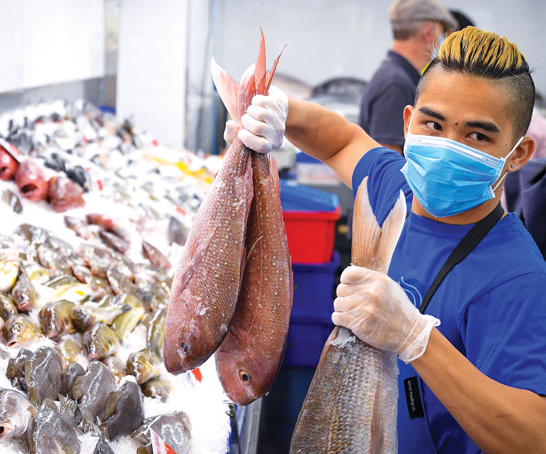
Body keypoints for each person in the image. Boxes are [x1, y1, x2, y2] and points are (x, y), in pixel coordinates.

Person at [226, 27, 546, 453]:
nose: (447, 146)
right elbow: (343, 140)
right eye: (434, 125)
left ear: (519, 153)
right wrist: (283, 114)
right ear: (409, 121)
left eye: (477, 136)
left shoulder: (517, 276)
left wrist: (416, 339)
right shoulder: (394, 189)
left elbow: (533, 436)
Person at [359, 0, 457, 153]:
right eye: (443, 32)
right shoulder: (395, 84)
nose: (444, 41)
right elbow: (388, 161)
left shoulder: (396, 76)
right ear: (429, 33)